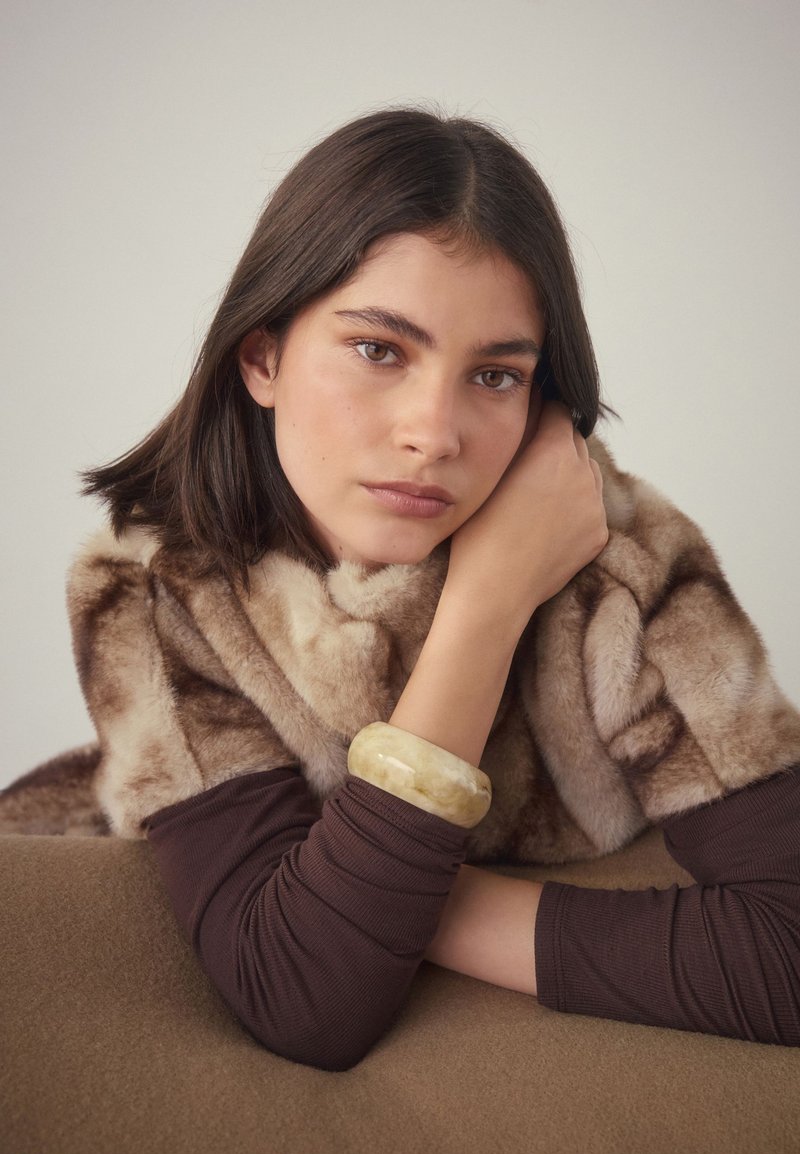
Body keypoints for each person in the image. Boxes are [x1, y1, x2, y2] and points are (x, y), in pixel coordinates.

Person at [2, 107, 799, 1068]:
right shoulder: (153, 586)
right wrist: (487, 608)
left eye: (495, 376)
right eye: (379, 350)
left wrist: (492, 603)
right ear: (262, 358)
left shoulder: (620, 565)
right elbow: (305, 996)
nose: (433, 433)